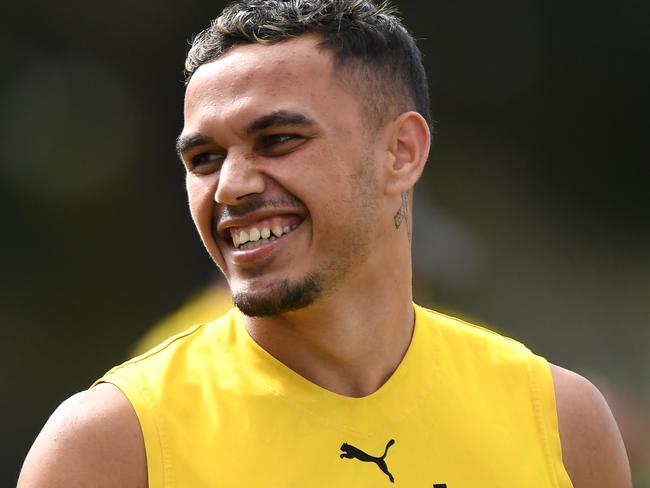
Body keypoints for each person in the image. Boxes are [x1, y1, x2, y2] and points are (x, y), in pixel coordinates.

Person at [18, 1, 631, 486]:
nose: (230, 186)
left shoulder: (558, 420)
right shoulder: (112, 447)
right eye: (204, 158)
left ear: (401, 153)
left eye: (279, 139)